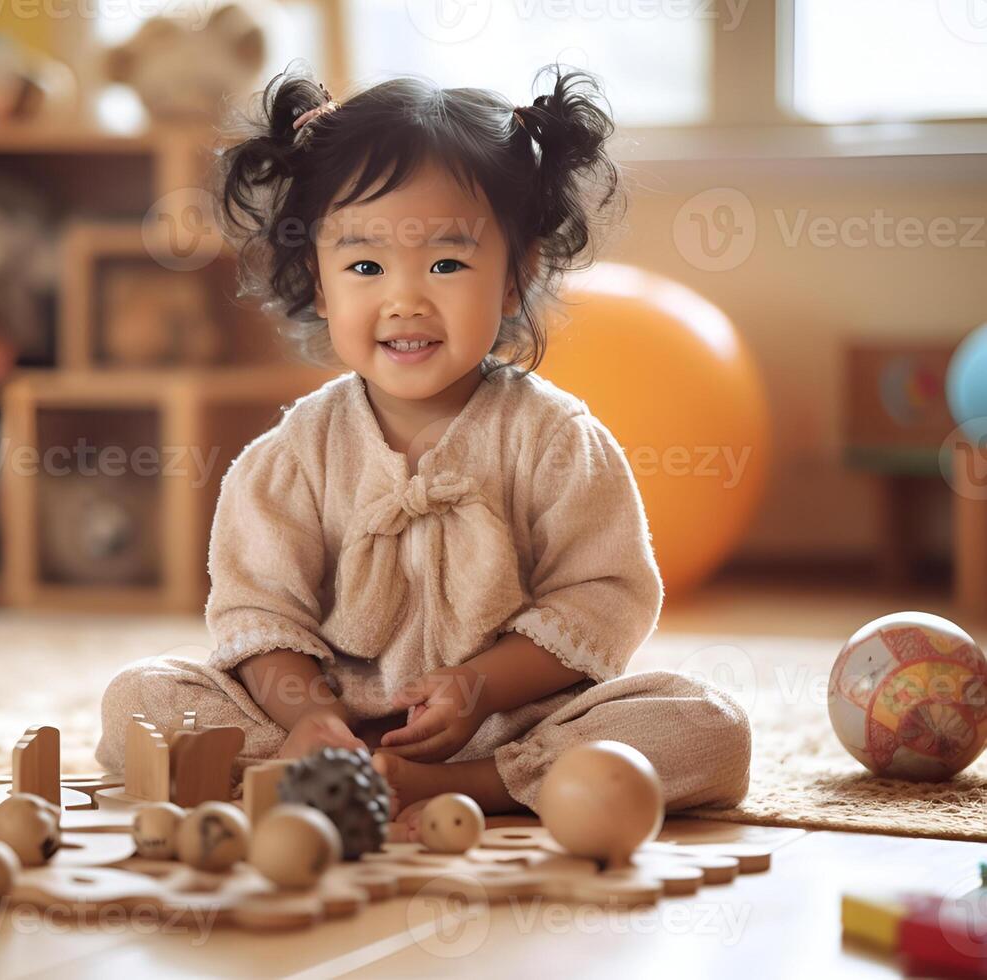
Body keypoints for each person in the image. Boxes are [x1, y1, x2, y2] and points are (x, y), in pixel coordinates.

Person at [96, 64, 750, 834]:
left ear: (517, 276)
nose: (404, 298)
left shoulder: (556, 439)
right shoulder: (294, 452)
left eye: (446, 263)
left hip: (510, 723)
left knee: (708, 725)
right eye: (365, 266)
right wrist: (310, 718)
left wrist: (479, 688)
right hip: (323, 722)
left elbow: (603, 598)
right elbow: (259, 611)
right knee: (138, 699)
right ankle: (326, 769)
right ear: (319, 277)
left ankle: (480, 785)